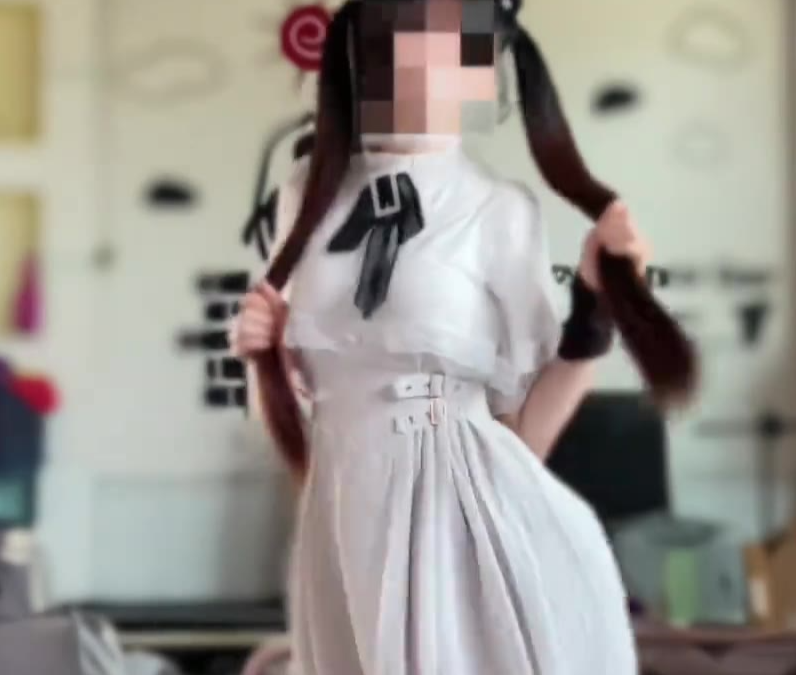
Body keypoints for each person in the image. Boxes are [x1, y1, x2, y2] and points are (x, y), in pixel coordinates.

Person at [233, 0, 697, 673]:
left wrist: (592, 314)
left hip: (455, 524)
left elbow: (522, 434)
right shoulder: (304, 197)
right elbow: (297, 431)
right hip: (337, 520)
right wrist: (262, 357)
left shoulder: (499, 210)